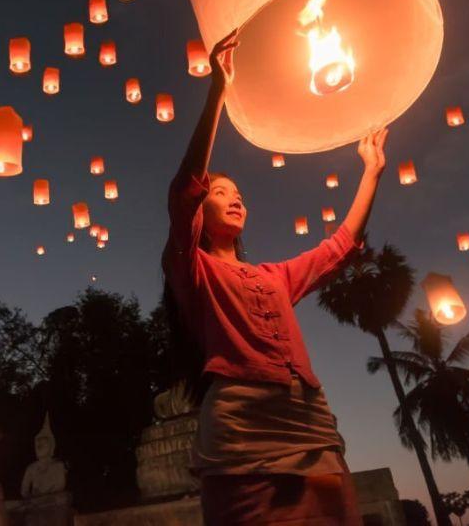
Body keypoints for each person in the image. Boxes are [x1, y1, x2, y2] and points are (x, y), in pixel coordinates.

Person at [160, 30, 387, 525]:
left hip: (308, 422)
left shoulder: (275, 277)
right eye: (222, 192)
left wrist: (371, 171)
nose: (236, 198)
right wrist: (217, 90)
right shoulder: (191, 268)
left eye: (239, 192)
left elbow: (340, 248)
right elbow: (183, 191)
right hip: (241, 427)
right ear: (203, 205)